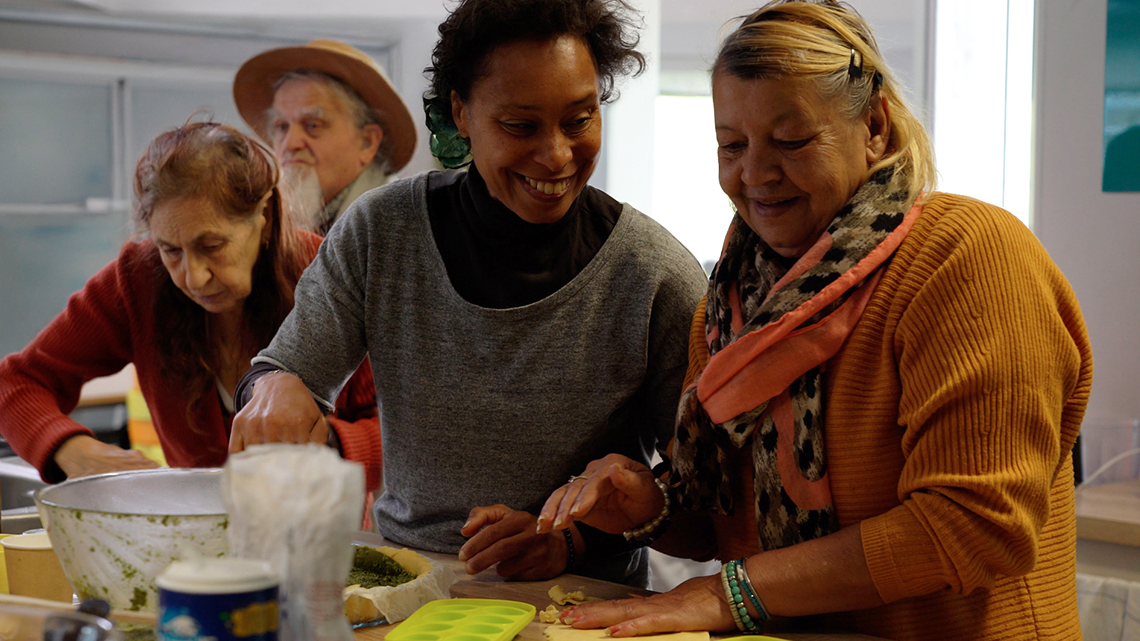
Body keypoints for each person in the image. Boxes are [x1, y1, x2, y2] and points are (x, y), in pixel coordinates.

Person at [536, 2, 1093, 639]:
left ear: (875, 126)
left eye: (792, 141)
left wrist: (729, 594)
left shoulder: (967, 258)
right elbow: (727, 522)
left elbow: (974, 525)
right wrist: (650, 503)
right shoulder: (731, 304)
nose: (754, 174)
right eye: (732, 146)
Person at [230, 0, 707, 587]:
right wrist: (274, 384)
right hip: (405, 589)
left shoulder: (654, 276)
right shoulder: (383, 232)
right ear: (460, 113)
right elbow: (281, 371)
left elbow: (702, 502)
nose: (557, 154)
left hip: (581, 604)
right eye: (520, 126)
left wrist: (573, 540)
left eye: (580, 120)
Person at [0, 122, 381, 492]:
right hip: (194, 531)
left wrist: (325, 445)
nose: (194, 278)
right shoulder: (138, 280)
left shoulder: (330, 276)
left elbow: (402, 430)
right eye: (170, 250)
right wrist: (77, 453)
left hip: (326, 529)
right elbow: (14, 382)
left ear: (264, 218)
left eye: (211, 246)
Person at [233, 39, 417, 234]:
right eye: (282, 127)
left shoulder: (398, 226)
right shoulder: (271, 221)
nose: (291, 143)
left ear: (367, 143)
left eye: (313, 125)